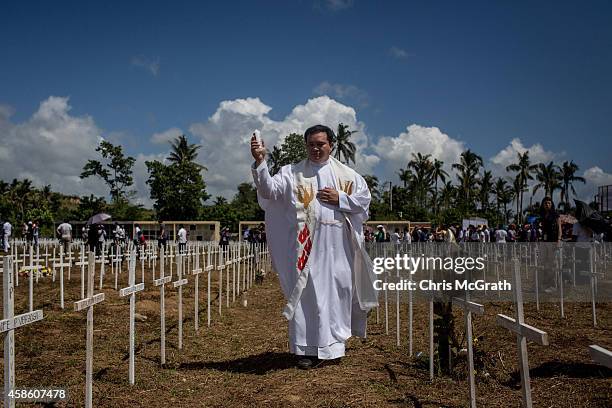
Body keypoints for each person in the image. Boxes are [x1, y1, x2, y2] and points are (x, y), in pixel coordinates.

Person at [250, 124, 377, 369]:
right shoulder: (291, 172)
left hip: (339, 247)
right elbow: (268, 191)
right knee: (306, 294)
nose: (316, 148)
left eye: (321, 144)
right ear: (306, 145)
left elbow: (364, 202)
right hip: (306, 248)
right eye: (311, 144)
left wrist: (339, 198)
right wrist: (260, 162)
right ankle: (306, 350)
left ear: (331, 145)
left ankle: (333, 346)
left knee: (337, 293)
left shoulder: (349, 176)